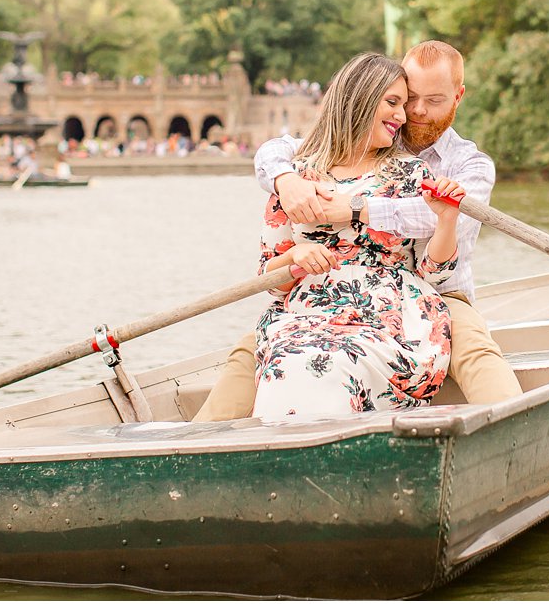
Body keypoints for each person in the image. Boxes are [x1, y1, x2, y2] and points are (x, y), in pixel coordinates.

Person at [194, 40, 522, 422]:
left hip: (431, 296)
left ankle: (515, 430)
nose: (413, 111)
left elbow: (430, 224)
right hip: (309, 307)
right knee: (253, 354)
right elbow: (276, 154)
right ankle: (187, 453)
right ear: (363, 100)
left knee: (474, 349)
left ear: (457, 97)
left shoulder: (464, 165)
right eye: (404, 99)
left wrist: (355, 208)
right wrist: (285, 180)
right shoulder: (307, 167)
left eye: (432, 100)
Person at [251, 52, 464, 420]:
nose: (403, 115)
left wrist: (446, 221)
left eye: (404, 103)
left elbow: (433, 273)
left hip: (387, 320)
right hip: (306, 317)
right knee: (290, 361)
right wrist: (294, 259)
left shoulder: (411, 174)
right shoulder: (294, 180)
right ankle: (284, 457)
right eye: (393, 102)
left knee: (332, 362)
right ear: (360, 98)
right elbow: (271, 282)